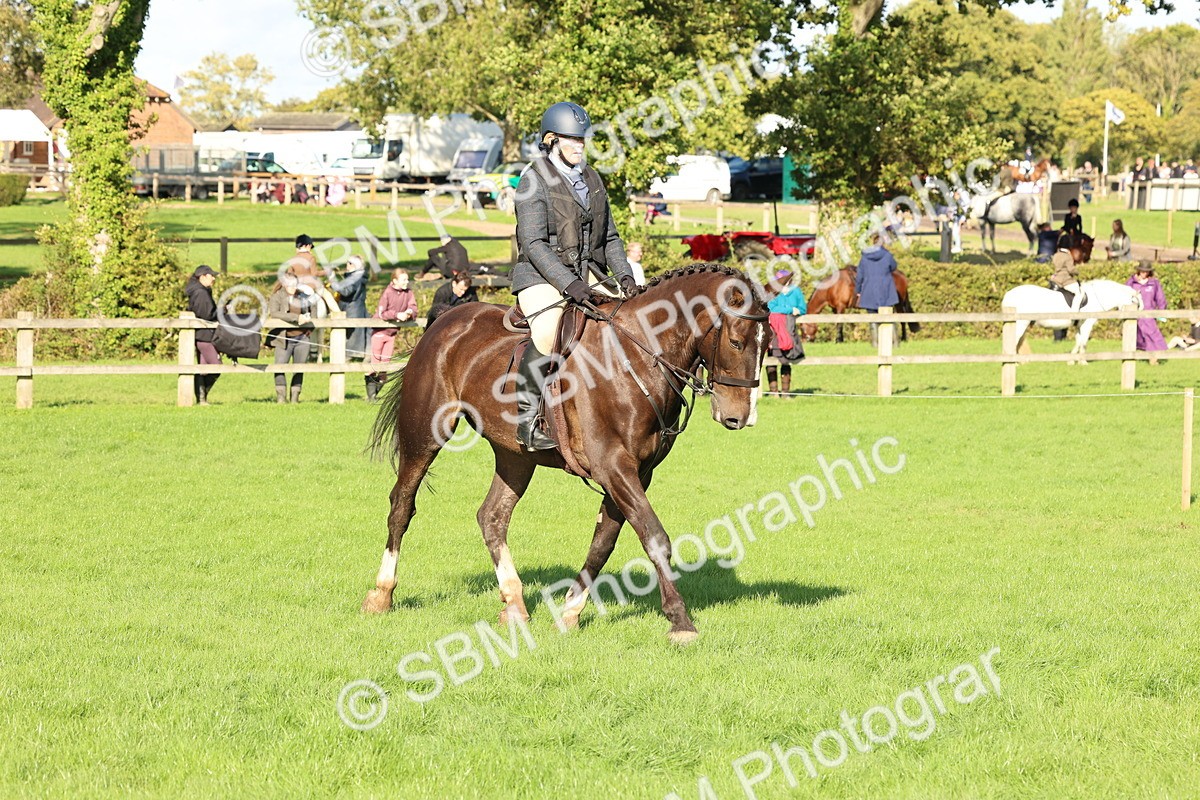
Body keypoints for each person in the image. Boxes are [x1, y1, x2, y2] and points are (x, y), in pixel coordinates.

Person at [511, 100, 638, 451]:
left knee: (629, 320)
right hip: (540, 277)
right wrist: (570, 284)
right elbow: (533, 243)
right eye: (572, 140)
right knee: (551, 328)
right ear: (551, 140)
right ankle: (526, 421)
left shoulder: (592, 179)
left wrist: (624, 276)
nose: (579, 147)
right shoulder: (532, 180)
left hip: (588, 275)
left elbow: (609, 237)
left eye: (582, 140)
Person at [366, 269, 418, 401]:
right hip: (379, 332)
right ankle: (370, 395)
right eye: (404, 280)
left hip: (392, 334)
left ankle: (375, 394)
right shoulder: (388, 292)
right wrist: (396, 315)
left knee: (386, 364)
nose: (407, 282)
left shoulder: (408, 292)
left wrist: (409, 312)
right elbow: (382, 312)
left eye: (407, 279)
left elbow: (413, 307)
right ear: (395, 281)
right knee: (375, 363)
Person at [268, 275, 316, 403]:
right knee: (279, 367)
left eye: (295, 285)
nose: (293, 288)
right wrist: (296, 317)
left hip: (302, 337)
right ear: (284, 284)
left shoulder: (303, 296)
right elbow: (275, 313)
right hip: (284, 338)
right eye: (290, 285)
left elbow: (313, 309)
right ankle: (281, 397)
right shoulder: (277, 296)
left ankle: (295, 397)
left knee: (299, 368)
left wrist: (309, 327)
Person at [854, 232, 900, 346]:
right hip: (886, 290)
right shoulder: (887, 255)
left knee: (872, 319)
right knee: (890, 318)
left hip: (869, 291)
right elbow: (894, 267)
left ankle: (875, 344)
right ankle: (895, 343)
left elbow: (859, 276)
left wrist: (858, 291)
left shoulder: (864, 257)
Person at [184, 265, 221, 405]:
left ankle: (202, 399)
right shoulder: (201, 293)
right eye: (211, 276)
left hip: (203, 334)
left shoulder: (201, 291)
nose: (214, 278)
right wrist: (221, 312)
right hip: (205, 335)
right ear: (203, 276)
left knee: (203, 368)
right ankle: (202, 396)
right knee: (216, 366)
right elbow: (206, 314)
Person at [765, 268, 806, 396]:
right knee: (771, 359)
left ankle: (785, 392)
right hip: (774, 330)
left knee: (786, 359)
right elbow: (771, 307)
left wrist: (793, 310)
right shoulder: (773, 291)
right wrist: (789, 309)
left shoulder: (796, 292)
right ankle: (773, 392)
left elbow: (802, 309)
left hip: (789, 330)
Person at [329, 255, 370, 358]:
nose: (347, 265)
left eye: (350, 263)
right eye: (347, 262)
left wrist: (333, 281)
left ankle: (348, 358)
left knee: (349, 338)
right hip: (349, 308)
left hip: (352, 310)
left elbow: (346, 291)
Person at [1126, 261, 1167, 360]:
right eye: (1142, 271)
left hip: (1149, 314)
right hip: (1135, 314)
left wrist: (1161, 311)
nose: (1144, 274)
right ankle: (1133, 356)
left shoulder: (1154, 283)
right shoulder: (1131, 282)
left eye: (1146, 272)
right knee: (1137, 336)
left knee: (1152, 335)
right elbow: (1125, 295)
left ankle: (1153, 358)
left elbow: (1160, 298)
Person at [1049, 244, 1083, 313]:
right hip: (1065, 280)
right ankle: (1074, 313)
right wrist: (1078, 272)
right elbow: (1071, 269)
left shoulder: (1056, 254)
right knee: (1079, 294)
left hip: (1055, 279)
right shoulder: (1068, 256)